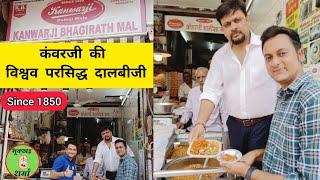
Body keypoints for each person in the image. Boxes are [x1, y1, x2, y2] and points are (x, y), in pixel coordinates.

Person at [221, 26, 320, 180]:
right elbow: (284, 153)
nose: (274, 63)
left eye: (282, 54)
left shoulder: (312, 99)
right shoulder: (283, 95)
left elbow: (309, 178)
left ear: (300, 54)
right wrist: (256, 154)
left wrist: (246, 172)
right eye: (268, 57)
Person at [189, 0, 278, 159]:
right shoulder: (219, 57)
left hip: (266, 124)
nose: (233, 27)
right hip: (235, 126)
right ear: (223, 29)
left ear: (247, 19)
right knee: (236, 166)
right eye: (227, 24)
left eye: (237, 20)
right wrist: (200, 123)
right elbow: (211, 92)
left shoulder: (266, 46)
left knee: (261, 169)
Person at [177, 67, 228, 132]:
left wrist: (226, 130)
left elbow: (224, 112)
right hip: (196, 129)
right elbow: (188, 110)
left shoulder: (217, 91)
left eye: (203, 77)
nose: (201, 80)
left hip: (214, 129)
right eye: (198, 77)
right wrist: (182, 122)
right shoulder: (192, 92)